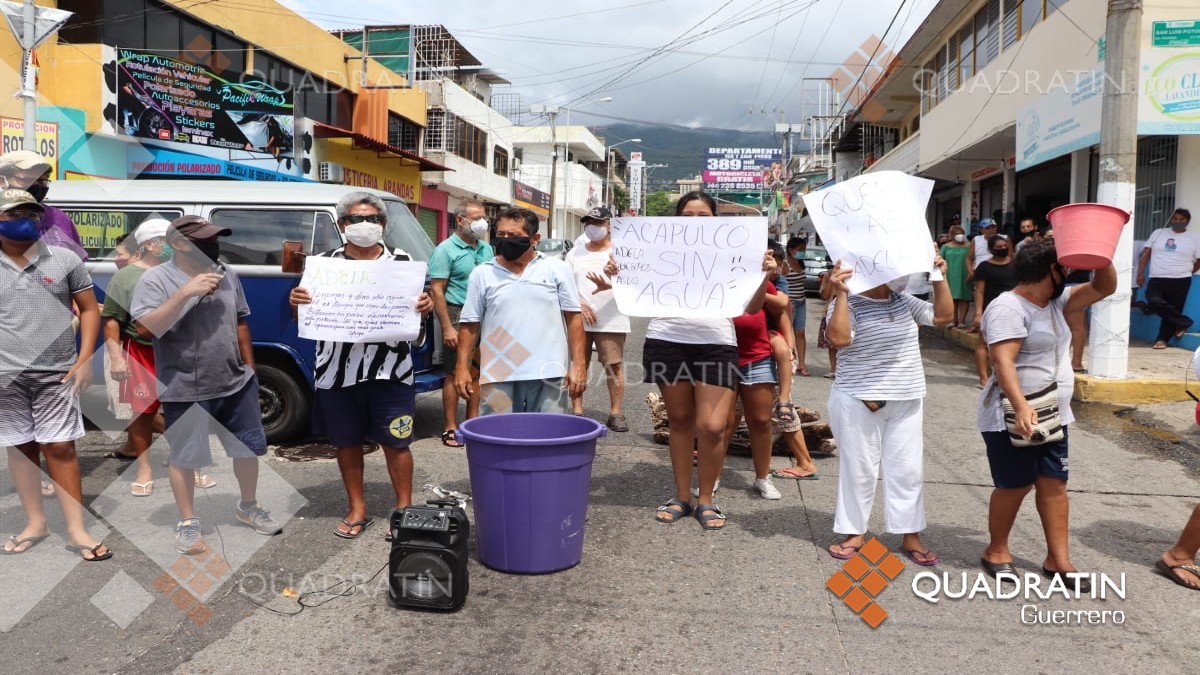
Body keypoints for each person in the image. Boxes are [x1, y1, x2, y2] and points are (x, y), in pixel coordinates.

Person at [132, 215, 282, 555]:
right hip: (184, 384)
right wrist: (185, 293)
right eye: (207, 240)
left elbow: (241, 319)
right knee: (185, 457)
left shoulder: (226, 273)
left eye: (216, 239)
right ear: (181, 245)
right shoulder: (156, 279)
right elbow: (144, 329)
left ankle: (248, 506)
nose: (215, 245)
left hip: (234, 381)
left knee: (247, 450)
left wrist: (250, 366)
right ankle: (188, 523)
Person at [289, 192, 434, 539]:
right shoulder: (323, 265)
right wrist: (296, 303)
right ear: (342, 225)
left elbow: (414, 321)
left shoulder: (403, 263)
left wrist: (423, 308)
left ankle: (404, 509)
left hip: (392, 372)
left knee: (398, 441)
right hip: (338, 374)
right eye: (355, 219)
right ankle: (357, 508)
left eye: (372, 219)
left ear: (383, 225)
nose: (364, 226)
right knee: (347, 442)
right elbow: (305, 317)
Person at [977, 240, 1116, 587]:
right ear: (1048, 271)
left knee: (1055, 483)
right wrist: (1022, 405)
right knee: (1015, 484)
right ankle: (996, 550)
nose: (1067, 275)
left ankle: (1058, 559)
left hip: (1055, 414)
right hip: (1014, 413)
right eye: (1064, 269)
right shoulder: (1008, 308)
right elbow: (1003, 360)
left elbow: (1104, 285)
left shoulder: (1058, 301)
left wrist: (1102, 253)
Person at [641, 191, 775, 531]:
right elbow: (631, 283)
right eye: (688, 215)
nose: (695, 221)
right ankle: (682, 496)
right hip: (666, 339)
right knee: (680, 421)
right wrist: (617, 271)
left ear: (715, 220)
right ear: (677, 219)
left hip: (716, 343)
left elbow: (754, 307)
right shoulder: (657, 250)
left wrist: (764, 275)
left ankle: (707, 499)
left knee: (714, 426)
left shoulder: (734, 252)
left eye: (703, 215)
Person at [0, 189, 110, 560]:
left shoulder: (64, 259)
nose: (27, 220)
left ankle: (77, 529)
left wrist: (83, 362)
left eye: (32, 213)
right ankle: (36, 522)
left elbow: (90, 310)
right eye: (16, 213)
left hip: (57, 374)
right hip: (6, 375)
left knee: (61, 447)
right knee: (21, 447)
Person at [824, 256, 954, 564]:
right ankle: (854, 531)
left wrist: (938, 275)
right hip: (858, 399)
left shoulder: (902, 301)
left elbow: (943, 317)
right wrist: (841, 293)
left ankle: (910, 534)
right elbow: (839, 339)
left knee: (907, 471)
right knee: (859, 470)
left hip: (906, 399)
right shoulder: (849, 302)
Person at [455, 207, 586, 415]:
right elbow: (470, 324)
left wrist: (578, 365)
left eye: (514, 235)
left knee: (546, 437)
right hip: (497, 373)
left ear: (535, 239)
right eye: (501, 235)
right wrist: (462, 368)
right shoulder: (482, 274)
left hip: (549, 373)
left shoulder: (556, 269)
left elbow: (574, 318)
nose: (506, 240)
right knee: (498, 437)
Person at [101, 220, 172, 495]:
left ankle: (190, 464)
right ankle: (144, 467)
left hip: (177, 350)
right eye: (163, 240)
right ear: (148, 245)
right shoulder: (125, 277)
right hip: (141, 350)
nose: (169, 245)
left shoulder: (181, 271)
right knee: (142, 412)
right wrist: (116, 359)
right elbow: (112, 321)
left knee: (187, 409)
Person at [429, 200, 492, 446]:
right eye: (476, 218)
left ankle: (472, 424)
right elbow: (437, 290)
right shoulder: (445, 250)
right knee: (455, 371)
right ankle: (450, 427)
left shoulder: (486, 249)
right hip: (457, 314)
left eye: (484, 217)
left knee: (476, 371)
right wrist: (446, 327)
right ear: (461, 220)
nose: (482, 223)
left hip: (483, 314)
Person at [566, 206, 631, 431]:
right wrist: (580, 304)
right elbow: (565, 285)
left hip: (612, 318)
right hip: (578, 318)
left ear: (609, 226)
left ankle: (615, 413)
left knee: (613, 366)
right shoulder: (575, 253)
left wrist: (613, 281)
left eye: (598, 223)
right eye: (588, 223)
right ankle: (576, 410)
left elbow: (634, 287)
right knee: (577, 362)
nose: (592, 227)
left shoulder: (622, 252)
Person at [0, 150, 86, 259]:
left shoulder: (59, 218)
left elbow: (77, 266)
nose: (36, 185)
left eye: (42, 180)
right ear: (2, 181)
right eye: (27, 179)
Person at [1136, 208, 1198, 349]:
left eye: (1181, 219)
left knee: (1173, 308)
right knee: (1153, 301)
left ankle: (1162, 340)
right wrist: (1139, 274)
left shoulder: (1194, 237)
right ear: (1171, 220)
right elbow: (1146, 254)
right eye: (1175, 219)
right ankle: (1184, 321)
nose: (1177, 222)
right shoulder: (1159, 233)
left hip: (1181, 279)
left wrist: (1189, 271)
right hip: (1157, 277)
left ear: (1187, 221)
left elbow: (1199, 259)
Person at [972, 235, 1018, 387]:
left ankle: (1005, 376)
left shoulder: (1015, 265)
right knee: (983, 344)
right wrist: (978, 313)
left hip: (1013, 309)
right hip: (990, 309)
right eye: (999, 247)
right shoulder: (984, 267)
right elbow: (979, 292)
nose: (1003, 249)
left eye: (1004, 245)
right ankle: (983, 378)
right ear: (991, 249)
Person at [783, 237, 810, 375]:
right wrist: (786, 301)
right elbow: (780, 285)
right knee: (787, 333)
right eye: (800, 250)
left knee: (800, 332)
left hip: (801, 301)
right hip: (790, 302)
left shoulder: (801, 263)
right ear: (790, 249)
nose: (802, 252)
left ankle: (802, 363)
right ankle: (788, 360)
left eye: (804, 250)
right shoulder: (784, 264)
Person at [940, 224, 972, 327]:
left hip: (965, 275)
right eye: (958, 234)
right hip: (950, 275)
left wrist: (972, 272)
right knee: (952, 298)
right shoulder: (946, 247)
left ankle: (962, 321)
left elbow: (974, 259)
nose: (960, 236)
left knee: (964, 298)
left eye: (962, 234)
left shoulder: (969, 246)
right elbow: (940, 259)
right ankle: (953, 320)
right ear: (952, 235)